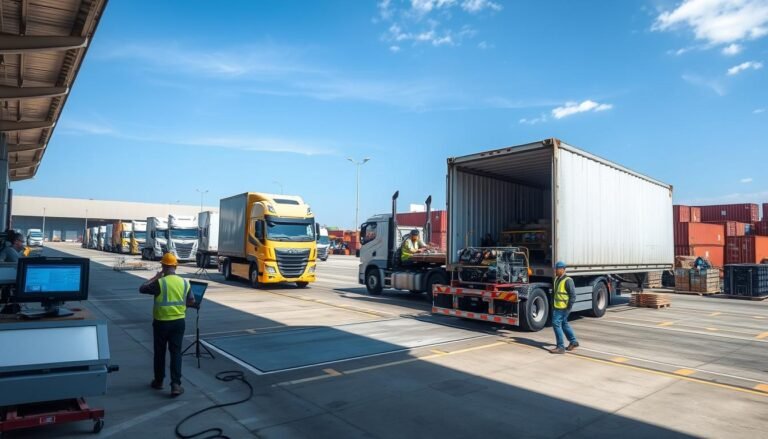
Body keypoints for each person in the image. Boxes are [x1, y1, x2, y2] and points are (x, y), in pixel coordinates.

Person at [139, 252, 195, 397]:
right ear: (175, 266)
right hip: (178, 323)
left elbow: (142, 288)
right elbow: (191, 301)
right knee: (176, 353)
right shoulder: (184, 282)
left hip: (161, 323)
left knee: (160, 352)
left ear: (163, 266)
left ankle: (159, 381)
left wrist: (155, 277)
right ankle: (176, 385)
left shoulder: (160, 282)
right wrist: (181, 307)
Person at [550, 261, 578, 354]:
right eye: (555, 269)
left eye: (557, 269)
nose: (555, 271)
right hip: (557, 306)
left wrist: (568, 308)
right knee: (564, 324)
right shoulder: (556, 279)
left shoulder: (568, 280)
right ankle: (573, 342)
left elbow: (573, 296)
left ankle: (560, 347)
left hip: (563, 308)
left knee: (556, 324)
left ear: (562, 269)